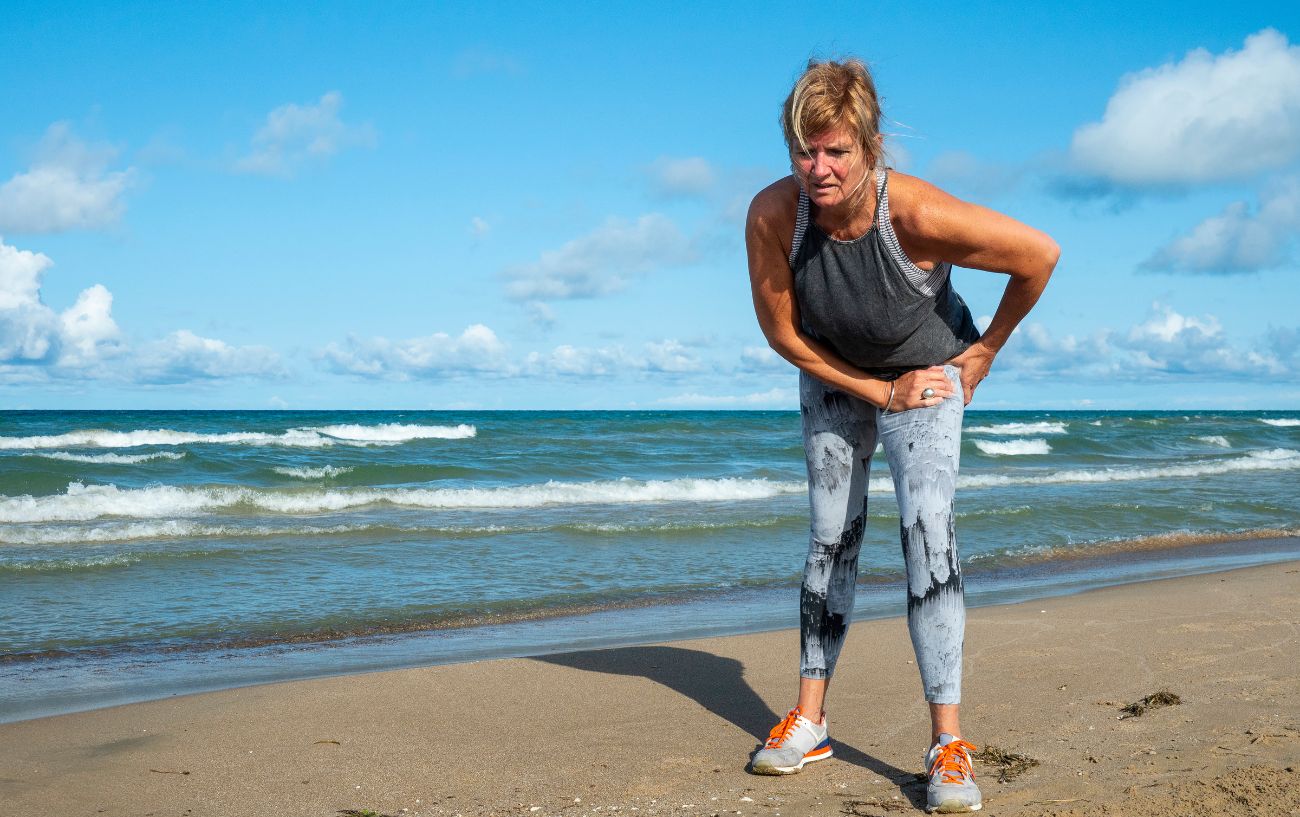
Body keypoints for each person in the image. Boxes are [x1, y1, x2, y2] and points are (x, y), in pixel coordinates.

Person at [744, 58, 1059, 813]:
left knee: (927, 529)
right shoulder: (772, 216)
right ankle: (811, 720)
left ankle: (947, 742)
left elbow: (1038, 255)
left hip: (926, 373)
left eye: (836, 151)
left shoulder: (913, 213)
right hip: (836, 371)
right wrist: (873, 389)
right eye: (803, 151)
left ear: (871, 147)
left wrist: (983, 351)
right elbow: (783, 333)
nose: (817, 169)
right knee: (829, 535)